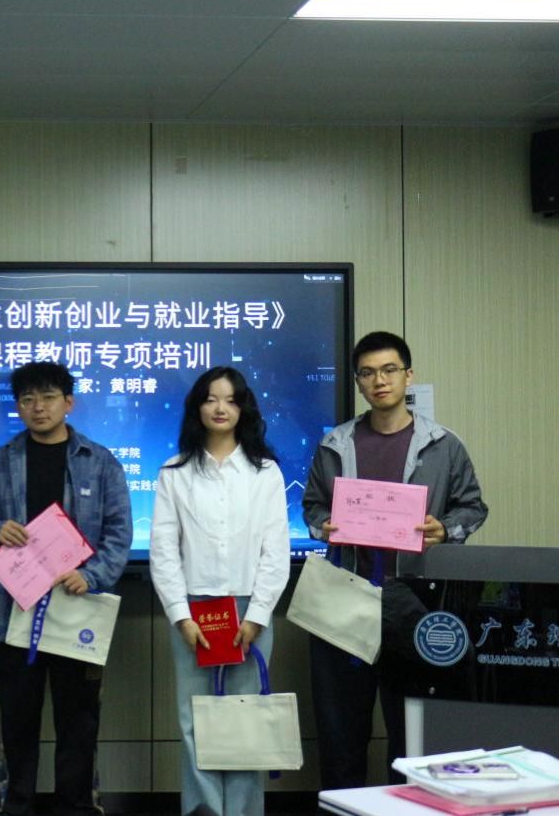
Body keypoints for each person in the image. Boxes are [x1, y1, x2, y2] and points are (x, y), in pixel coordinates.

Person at [302, 330, 488, 789]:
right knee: (341, 734)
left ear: (408, 375)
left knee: (412, 736)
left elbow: (472, 507)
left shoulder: (443, 444)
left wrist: (446, 529)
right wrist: (323, 525)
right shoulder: (335, 444)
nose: (379, 381)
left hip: (414, 600)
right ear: (358, 383)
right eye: (367, 373)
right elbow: (312, 507)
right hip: (346, 597)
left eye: (389, 370)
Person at [0, 361, 131, 816]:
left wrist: (92, 575)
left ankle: (76, 806)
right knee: (17, 720)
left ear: (68, 402)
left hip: (77, 606)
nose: (37, 407)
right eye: (27, 399)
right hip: (15, 608)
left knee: (78, 722)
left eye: (47, 397)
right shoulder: (2, 460)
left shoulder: (99, 461)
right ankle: (17, 804)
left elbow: (119, 532)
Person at [149, 367, 291, 816]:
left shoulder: (265, 472)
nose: (220, 408)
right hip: (195, 613)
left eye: (230, 399)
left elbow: (276, 551)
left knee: (245, 722)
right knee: (196, 723)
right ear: (197, 407)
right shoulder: (174, 472)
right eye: (210, 399)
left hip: (250, 611)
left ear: (243, 408)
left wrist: (258, 615)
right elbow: (163, 551)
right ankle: (204, 810)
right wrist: (180, 614)